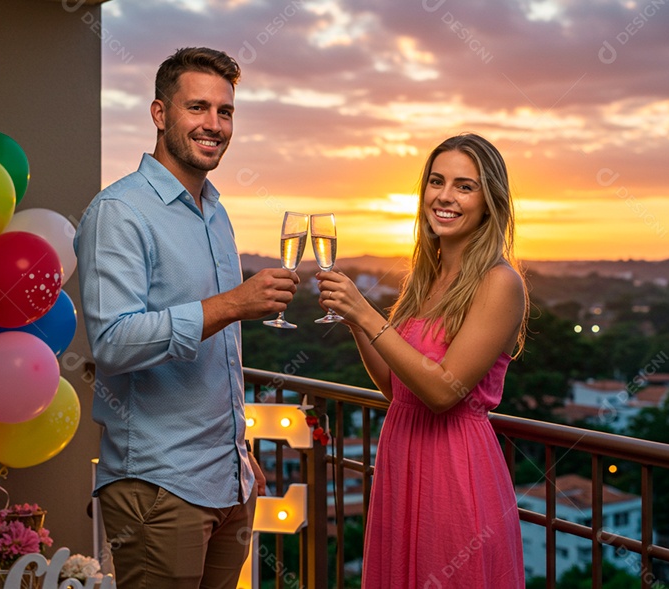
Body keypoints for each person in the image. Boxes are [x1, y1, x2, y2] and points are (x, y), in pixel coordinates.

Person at [73, 47, 299, 589]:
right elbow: (113, 342)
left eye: (225, 112)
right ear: (159, 114)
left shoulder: (215, 213)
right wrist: (234, 305)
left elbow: (219, 359)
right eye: (197, 107)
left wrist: (237, 455)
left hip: (227, 482)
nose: (214, 125)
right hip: (158, 485)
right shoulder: (119, 212)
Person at [316, 133, 528, 588]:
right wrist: (354, 321)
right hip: (402, 459)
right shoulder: (426, 278)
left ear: (490, 201)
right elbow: (397, 387)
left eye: (464, 186)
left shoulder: (500, 283)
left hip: (454, 469)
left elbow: (441, 392)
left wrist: (365, 312)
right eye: (436, 181)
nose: (445, 196)